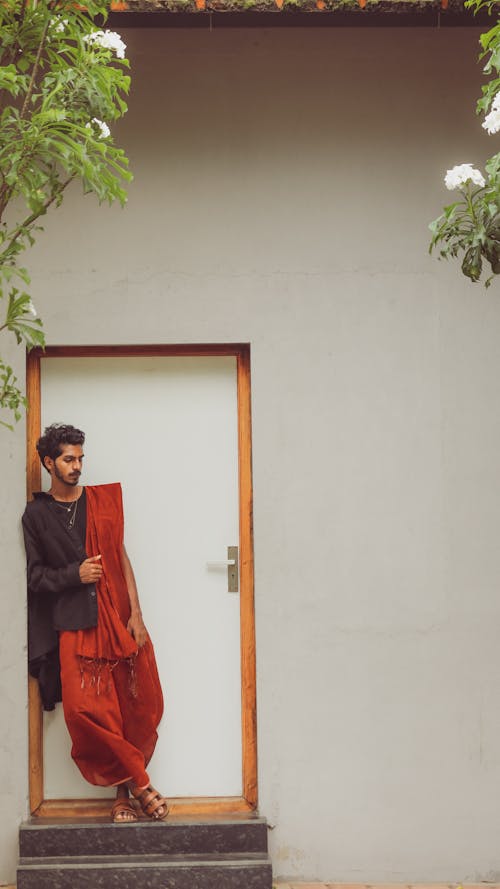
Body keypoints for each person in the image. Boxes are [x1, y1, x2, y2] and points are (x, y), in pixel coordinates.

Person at [22, 423, 168, 823]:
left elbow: (120, 558)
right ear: (49, 462)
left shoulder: (101, 501)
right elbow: (34, 577)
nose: (77, 466)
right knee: (84, 713)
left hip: (117, 616)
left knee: (131, 706)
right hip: (75, 622)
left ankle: (123, 797)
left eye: (81, 458)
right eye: (69, 459)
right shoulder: (36, 515)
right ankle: (141, 781)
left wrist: (136, 614)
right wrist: (74, 575)